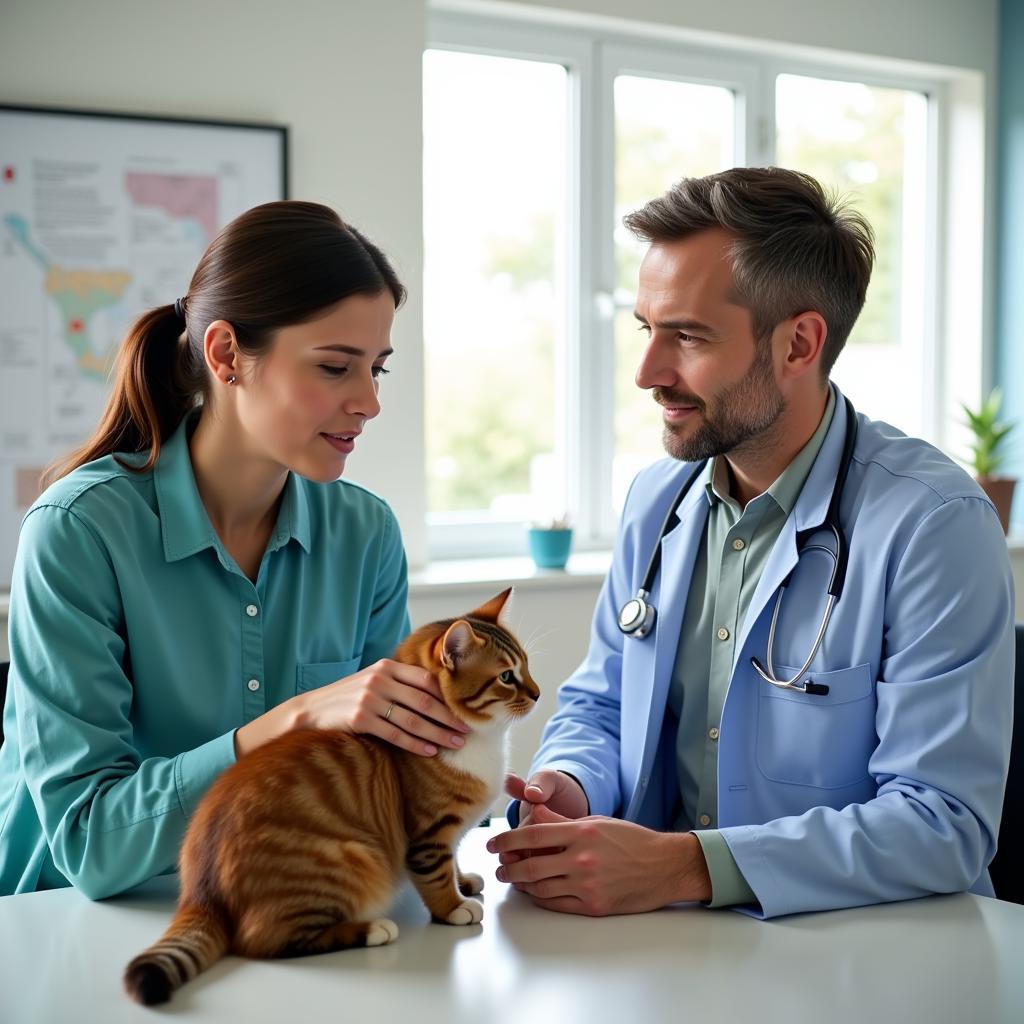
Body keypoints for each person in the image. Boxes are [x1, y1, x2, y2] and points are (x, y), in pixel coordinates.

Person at [490, 167, 1015, 919]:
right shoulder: (656, 501)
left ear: (799, 343)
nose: (647, 373)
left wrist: (682, 868)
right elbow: (603, 703)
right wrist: (565, 788)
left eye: (689, 337)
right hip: (670, 950)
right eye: (646, 330)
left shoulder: (934, 524)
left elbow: (943, 824)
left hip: (865, 954)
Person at [0, 200, 470, 899]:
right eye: (336, 367)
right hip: (73, 923)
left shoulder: (366, 534)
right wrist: (293, 720)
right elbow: (88, 843)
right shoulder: (78, 530)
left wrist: (468, 789)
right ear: (226, 355)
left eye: (379, 369)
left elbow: (383, 774)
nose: (369, 402)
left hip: (283, 906)